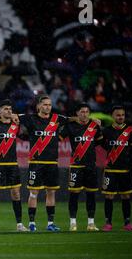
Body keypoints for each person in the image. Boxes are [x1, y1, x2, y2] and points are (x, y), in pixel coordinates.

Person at [13, 94, 83, 232]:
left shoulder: (57, 119)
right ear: (39, 106)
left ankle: (50, 223)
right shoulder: (30, 118)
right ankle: (32, 223)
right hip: (36, 162)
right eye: (45, 104)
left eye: (49, 105)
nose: (47, 107)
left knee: (51, 193)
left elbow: (72, 119)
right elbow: (12, 115)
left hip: (52, 162)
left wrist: (93, 120)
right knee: (33, 193)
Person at [59, 103, 103, 231]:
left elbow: (99, 141)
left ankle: (91, 223)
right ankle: (73, 223)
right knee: (74, 194)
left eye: (87, 112)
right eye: (82, 112)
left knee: (91, 195)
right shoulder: (70, 126)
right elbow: (58, 137)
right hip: (76, 165)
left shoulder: (95, 126)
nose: (84, 114)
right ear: (77, 113)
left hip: (91, 165)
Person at [0, 99, 27, 232]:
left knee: (16, 193)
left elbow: (30, 118)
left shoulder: (16, 124)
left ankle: (20, 224)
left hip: (12, 164)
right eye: (5, 109)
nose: (9, 111)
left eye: (10, 109)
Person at [100, 105, 132, 231]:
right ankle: (108, 223)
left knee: (126, 196)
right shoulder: (106, 131)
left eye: (122, 115)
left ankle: (127, 223)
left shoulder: (130, 130)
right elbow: (102, 144)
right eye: (118, 115)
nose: (120, 117)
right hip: (110, 169)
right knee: (109, 197)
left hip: (125, 169)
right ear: (113, 116)